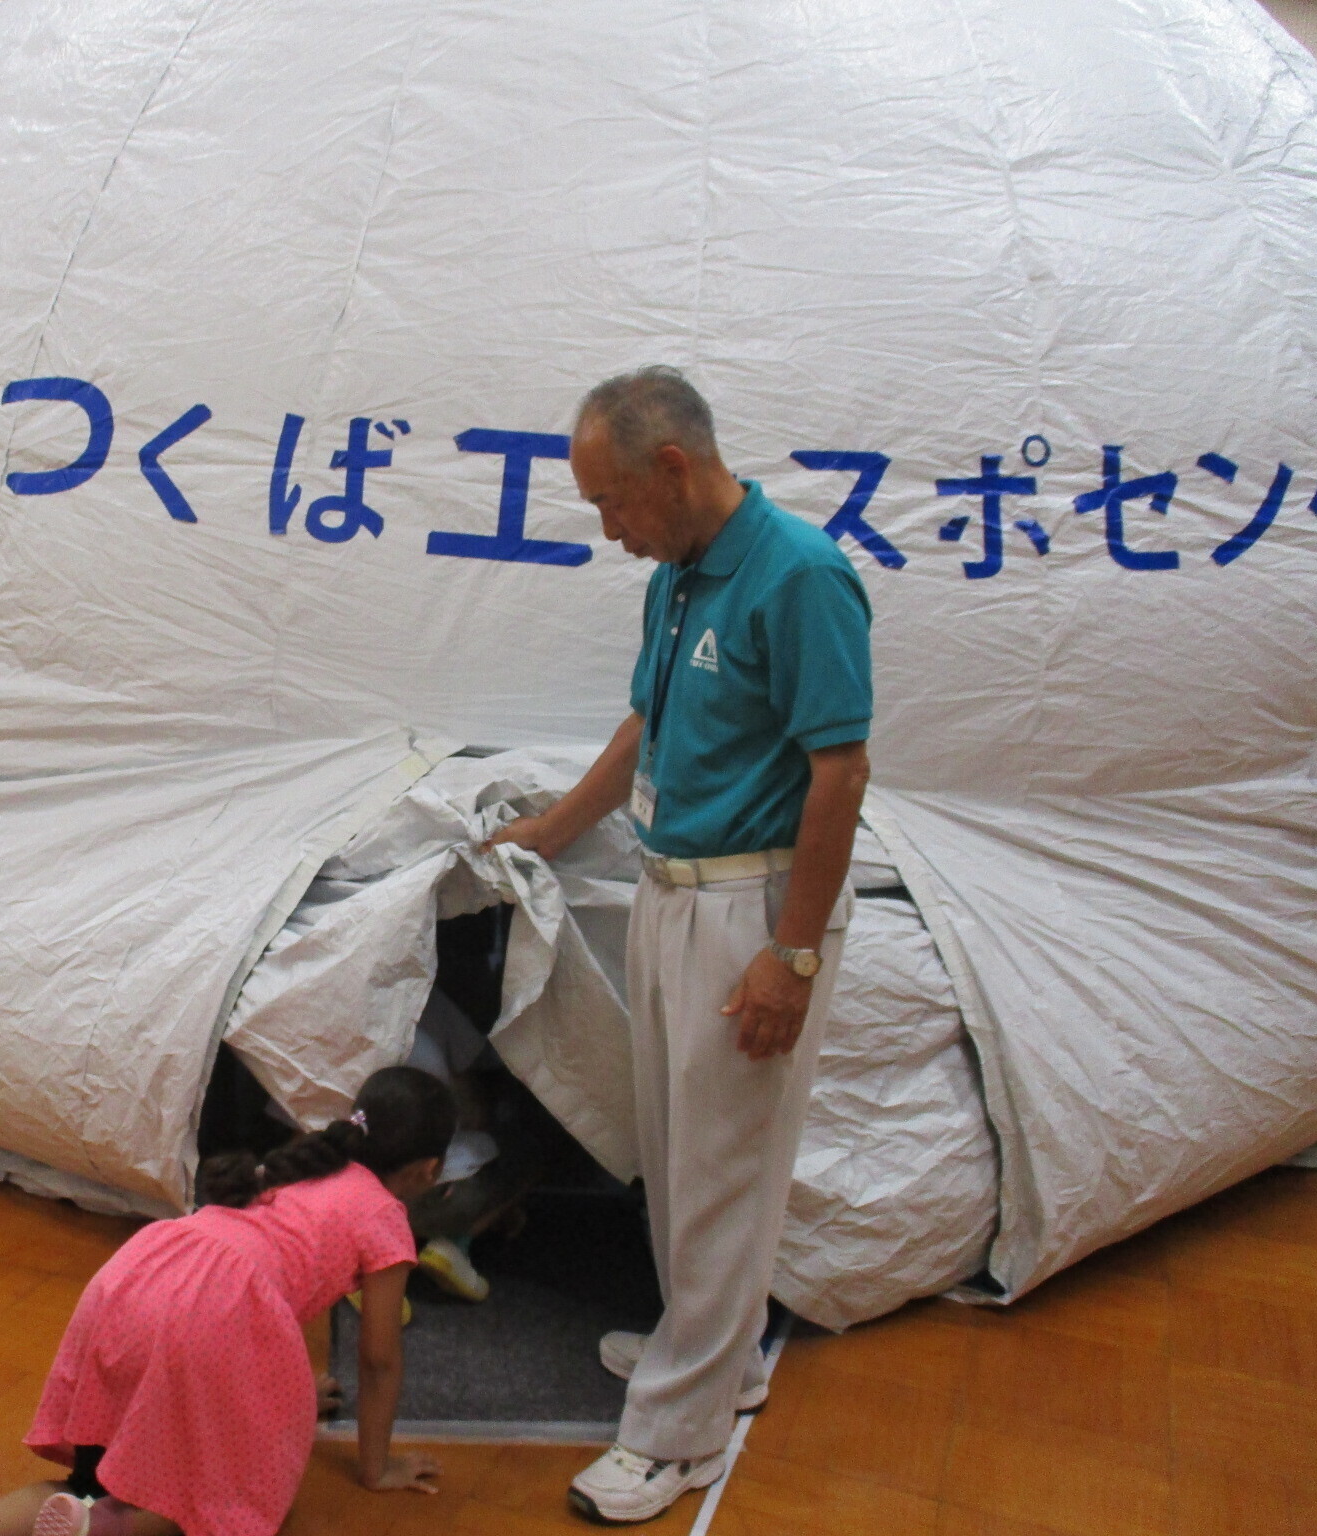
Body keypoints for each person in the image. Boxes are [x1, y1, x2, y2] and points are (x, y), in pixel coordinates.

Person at [484, 367, 872, 1524]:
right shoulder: (678, 574)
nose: (608, 534)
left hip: (750, 910)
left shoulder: (800, 577)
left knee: (719, 1171)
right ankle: (722, 1355)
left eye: (611, 504)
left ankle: (675, 1435)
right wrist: (552, 829)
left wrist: (789, 957)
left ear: (670, 468)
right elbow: (646, 723)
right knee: (675, 1144)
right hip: (668, 886)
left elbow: (838, 773)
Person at [0, 1067, 453, 1536]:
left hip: (139, 1274)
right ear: (430, 1169)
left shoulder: (304, 1157)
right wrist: (377, 1468)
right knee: (223, 1497)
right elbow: (379, 1357)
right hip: (209, 1317)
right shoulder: (384, 1216)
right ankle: (93, 1528)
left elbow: (262, 1283)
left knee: (87, 1478)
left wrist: (290, 1396)